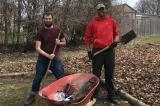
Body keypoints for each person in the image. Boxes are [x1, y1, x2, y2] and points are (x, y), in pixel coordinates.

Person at [25, 12, 66, 105]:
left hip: (56, 60)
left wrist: (59, 43)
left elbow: (64, 42)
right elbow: (37, 48)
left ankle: (65, 95)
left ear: (52, 19)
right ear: (43, 19)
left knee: (61, 78)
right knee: (37, 78)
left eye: (49, 18)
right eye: (46, 19)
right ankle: (32, 96)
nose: (48, 20)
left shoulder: (58, 31)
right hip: (42, 60)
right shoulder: (40, 32)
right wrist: (48, 56)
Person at [84, 3, 120, 104]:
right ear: (97, 11)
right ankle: (94, 95)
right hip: (97, 52)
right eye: (100, 10)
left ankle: (111, 95)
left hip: (110, 51)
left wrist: (115, 41)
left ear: (105, 10)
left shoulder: (111, 21)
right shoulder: (92, 23)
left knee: (109, 74)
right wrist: (89, 51)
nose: (102, 12)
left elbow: (116, 34)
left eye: (103, 10)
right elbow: (87, 38)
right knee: (96, 74)